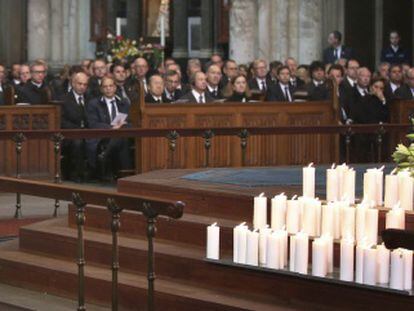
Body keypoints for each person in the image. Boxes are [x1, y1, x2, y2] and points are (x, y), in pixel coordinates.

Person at [86, 76, 132, 179]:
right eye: (105, 86)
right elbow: (93, 124)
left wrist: (121, 126)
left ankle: (105, 153)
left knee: (122, 136)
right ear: (101, 89)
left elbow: (130, 121)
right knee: (121, 139)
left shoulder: (124, 102)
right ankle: (126, 174)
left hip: (121, 133)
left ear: (115, 87)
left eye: (111, 86)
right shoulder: (94, 104)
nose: (108, 89)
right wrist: (112, 128)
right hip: (103, 135)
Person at [60, 72, 90, 181]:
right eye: (79, 84)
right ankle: (76, 174)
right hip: (70, 133)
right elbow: (61, 121)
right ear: (73, 84)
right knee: (78, 143)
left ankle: (94, 172)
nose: (82, 87)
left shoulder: (90, 98)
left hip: (88, 131)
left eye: (85, 84)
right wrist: (77, 129)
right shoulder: (64, 99)